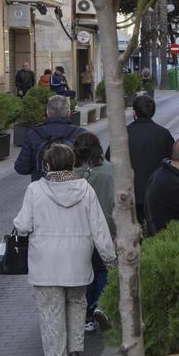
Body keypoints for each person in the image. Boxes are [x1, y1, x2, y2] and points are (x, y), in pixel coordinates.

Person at [14, 144, 116, 356]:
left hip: (45, 264)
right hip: (77, 261)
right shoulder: (86, 189)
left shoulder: (35, 190)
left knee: (51, 313)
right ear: (72, 165)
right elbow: (99, 227)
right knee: (77, 305)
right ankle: (75, 353)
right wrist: (109, 258)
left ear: (47, 165)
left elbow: (23, 225)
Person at [109, 94, 174, 223]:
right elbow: (174, 160)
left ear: (134, 112)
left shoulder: (123, 134)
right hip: (156, 191)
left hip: (129, 192)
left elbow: (109, 158)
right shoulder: (163, 134)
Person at [73, 133, 114, 334]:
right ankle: (101, 303)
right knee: (105, 269)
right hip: (105, 229)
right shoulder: (110, 171)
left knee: (85, 272)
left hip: (78, 231)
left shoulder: (70, 174)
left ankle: (87, 315)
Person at [15, 95, 86, 181]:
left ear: (47, 113)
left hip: (41, 185)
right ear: (69, 113)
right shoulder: (81, 133)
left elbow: (21, 168)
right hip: (72, 186)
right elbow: (88, 165)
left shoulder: (33, 134)